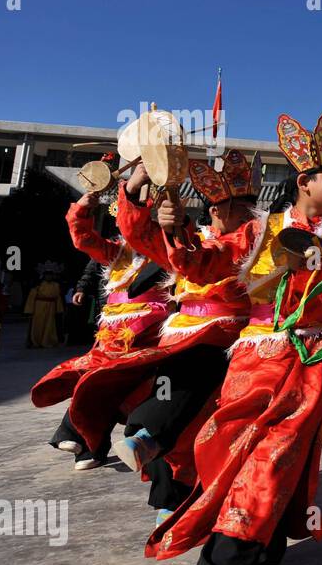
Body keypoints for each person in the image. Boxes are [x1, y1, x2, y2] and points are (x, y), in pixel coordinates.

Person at [145, 107, 322, 565]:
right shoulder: (258, 230)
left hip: (313, 360)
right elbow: (203, 265)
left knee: (272, 457)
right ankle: (266, 549)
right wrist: (175, 231)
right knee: (229, 452)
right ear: (305, 180)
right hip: (252, 360)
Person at [108, 151, 261, 525]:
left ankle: (156, 444)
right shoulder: (196, 236)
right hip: (179, 336)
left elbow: (212, 259)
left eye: (250, 205)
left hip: (230, 338)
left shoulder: (256, 239)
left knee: (213, 419)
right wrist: (137, 185)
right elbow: (143, 237)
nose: (247, 212)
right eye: (236, 206)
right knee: (165, 390)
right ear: (214, 211)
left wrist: (178, 231)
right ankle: (169, 496)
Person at [31, 174, 173, 471]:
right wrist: (83, 207)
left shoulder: (168, 247)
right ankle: (88, 446)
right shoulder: (117, 251)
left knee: (113, 383)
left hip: (148, 332)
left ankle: (83, 436)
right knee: (100, 380)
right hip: (111, 332)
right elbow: (83, 239)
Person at [25, 262, 64, 348]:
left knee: (49, 325)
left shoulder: (56, 285)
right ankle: (36, 341)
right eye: (47, 275)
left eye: (50, 275)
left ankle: (47, 341)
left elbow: (58, 297)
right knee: (38, 324)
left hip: (51, 307)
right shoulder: (38, 285)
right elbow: (31, 298)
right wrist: (29, 310)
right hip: (39, 306)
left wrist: (59, 309)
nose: (49, 277)